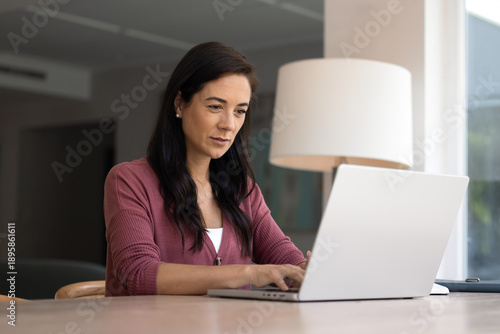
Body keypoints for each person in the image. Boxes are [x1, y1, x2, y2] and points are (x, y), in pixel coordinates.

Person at [104, 41, 308, 296]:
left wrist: (305, 270)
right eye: (215, 106)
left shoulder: (243, 189)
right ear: (179, 103)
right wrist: (248, 272)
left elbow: (285, 258)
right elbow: (138, 275)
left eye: (240, 111)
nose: (229, 124)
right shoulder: (129, 180)